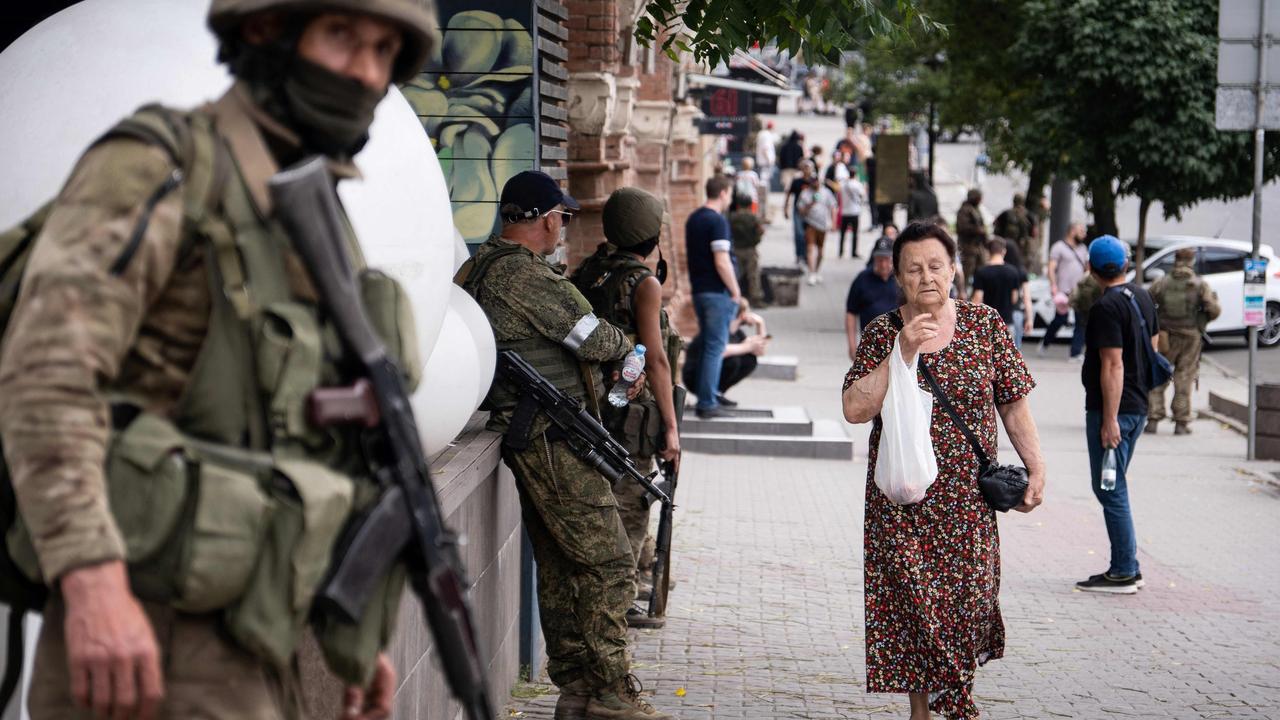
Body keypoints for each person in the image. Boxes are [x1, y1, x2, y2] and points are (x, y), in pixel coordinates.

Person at [0, 3, 440, 719]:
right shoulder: (161, 166)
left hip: (262, 635)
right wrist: (92, 583)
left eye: (384, 49)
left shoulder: (310, 209)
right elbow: (47, 376)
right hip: (149, 636)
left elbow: (304, 440)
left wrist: (350, 637)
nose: (364, 70)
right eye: (341, 37)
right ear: (267, 30)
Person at [460, 172, 675, 719]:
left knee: (562, 565)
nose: (563, 226)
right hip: (552, 437)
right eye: (562, 217)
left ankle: (578, 687)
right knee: (609, 563)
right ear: (547, 218)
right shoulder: (519, 275)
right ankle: (610, 688)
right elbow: (592, 335)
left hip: (542, 433)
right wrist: (623, 345)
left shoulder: (481, 266)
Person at [842, 222, 1045, 720]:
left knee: (968, 608)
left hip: (970, 507)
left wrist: (1036, 467)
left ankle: (938, 708)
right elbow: (854, 408)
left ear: (954, 269)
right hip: (903, 507)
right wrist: (902, 352)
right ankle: (943, 710)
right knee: (919, 615)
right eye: (913, 268)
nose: (926, 276)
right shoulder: (882, 334)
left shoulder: (985, 325)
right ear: (899, 278)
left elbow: (1013, 405)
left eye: (936, 265)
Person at [570, 188, 683, 629]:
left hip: (597, 404)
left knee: (611, 494)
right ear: (651, 234)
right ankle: (622, 598)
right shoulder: (644, 284)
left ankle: (638, 572)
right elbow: (655, 359)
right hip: (633, 411)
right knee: (632, 499)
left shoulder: (592, 269)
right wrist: (671, 428)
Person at [1077, 235, 1158, 595]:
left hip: (1115, 410)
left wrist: (1109, 420)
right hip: (1137, 406)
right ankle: (1126, 567)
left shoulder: (1106, 307)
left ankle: (1125, 570)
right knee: (1114, 485)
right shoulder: (1141, 295)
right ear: (1125, 264)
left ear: (1091, 268)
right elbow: (1153, 346)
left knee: (1110, 487)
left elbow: (1112, 365)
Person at [1146, 248, 1221, 435]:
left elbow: (1147, 302)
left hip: (1165, 336)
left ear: (1175, 260)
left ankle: (1153, 418)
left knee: (1159, 374)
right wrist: (1202, 319)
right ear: (1192, 261)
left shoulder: (1161, 282)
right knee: (1184, 377)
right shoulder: (1199, 284)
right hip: (1190, 336)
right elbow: (1214, 309)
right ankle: (1181, 422)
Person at [686, 176, 742, 419]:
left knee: (710, 344)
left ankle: (707, 394)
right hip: (716, 292)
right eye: (729, 194)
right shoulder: (717, 221)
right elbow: (721, 260)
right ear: (723, 193)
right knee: (715, 347)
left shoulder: (694, 218)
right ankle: (707, 402)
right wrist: (735, 290)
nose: (729, 198)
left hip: (699, 290)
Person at [682, 300, 768, 405]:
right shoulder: (716, 330)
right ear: (742, 315)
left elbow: (760, 351)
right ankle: (710, 396)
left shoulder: (737, 332)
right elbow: (719, 352)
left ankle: (717, 393)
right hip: (694, 378)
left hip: (706, 376)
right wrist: (747, 346)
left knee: (750, 360)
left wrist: (760, 324)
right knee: (732, 360)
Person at [972, 237, 1033, 349]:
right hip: (1007, 322)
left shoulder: (981, 272)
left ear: (989, 251)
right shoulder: (1012, 271)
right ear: (1003, 251)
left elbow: (977, 299)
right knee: (1008, 358)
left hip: (987, 322)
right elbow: (1014, 298)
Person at [844, 237, 899, 360]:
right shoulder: (862, 279)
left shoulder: (902, 281)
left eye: (887, 259)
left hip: (898, 347)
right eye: (880, 260)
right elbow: (851, 313)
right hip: (869, 346)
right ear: (874, 259)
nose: (883, 264)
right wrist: (852, 345)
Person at [1040, 222, 1090, 358]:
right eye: (1081, 231)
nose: (1084, 234)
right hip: (1063, 290)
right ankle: (1045, 343)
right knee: (1060, 319)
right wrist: (1053, 286)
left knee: (1081, 321)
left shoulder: (1083, 248)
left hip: (1079, 291)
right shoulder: (1059, 247)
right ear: (1072, 231)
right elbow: (1051, 268)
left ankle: (1075, 353)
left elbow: (1087, 268)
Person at [798, 175, 838, 285]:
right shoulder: (805, 193)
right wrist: (811, 203)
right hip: (810, 224)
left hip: (823, 225)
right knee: (810, 248)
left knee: (820, 251)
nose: (815, 184)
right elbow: (801, 211)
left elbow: (833, 207)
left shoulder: (826, 192)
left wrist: (834, 223)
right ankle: (811, 273)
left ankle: (816, 271)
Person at [728, 193, 765, 306]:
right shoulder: (753, 217)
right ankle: (756, 298)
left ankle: (734, 296)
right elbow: (761, 231)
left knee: (735, 274)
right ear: (750, 205)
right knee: (753, 275)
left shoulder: (732, 217)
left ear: (738, 205)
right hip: (750, 250)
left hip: (735, 249)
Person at [784, 160, 817, 267]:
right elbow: (789, 193)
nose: (807, 170)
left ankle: (808, 255)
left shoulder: (814, 181)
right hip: (798, 210)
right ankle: (799, 255)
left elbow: (819, 194)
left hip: (811, 211)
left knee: (809, 235)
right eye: (805, 167)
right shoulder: (797, 181)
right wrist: (785, 208)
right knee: (799, 234)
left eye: (808, 167)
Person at [993, 194, 1035, 274]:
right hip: (1022, 246)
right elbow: (1034, 233)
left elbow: (995, 225)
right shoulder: (1029, 215)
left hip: (1007, 245)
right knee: (1021, 266)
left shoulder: (1006, 213)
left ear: (1014, 201)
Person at [956, 188, 988, 290]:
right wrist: (978, 230)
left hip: (978, 246)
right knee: (967, 272)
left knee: (981, 271)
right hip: (968, 247)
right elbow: (962, 227)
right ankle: (963, 294)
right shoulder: (964, 210)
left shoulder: (976, 209)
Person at [838, 170, 866, 258]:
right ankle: (853, 252)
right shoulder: (857, 184)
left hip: (845, 212)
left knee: (842, 234)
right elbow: (862, 195)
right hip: (854, 211)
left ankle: (840, 251)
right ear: (855, 174)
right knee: (854, 233)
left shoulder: (843, 185)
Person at [754, 120, 778, 207]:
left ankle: (763, 203)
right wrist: (769, 160)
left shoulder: (763, 134)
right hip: (765, 163)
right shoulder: (766, 135)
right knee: (764, 184)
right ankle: (762, 204)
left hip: (762, 162)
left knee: (763, 184)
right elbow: (766, 149)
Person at [778, 130, 806, 199]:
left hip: (786, 169)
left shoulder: (784, 146)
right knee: (796, 187)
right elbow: (802, 159)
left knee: (787, 188)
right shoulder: (799, 147)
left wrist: (781, 167)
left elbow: (781, 157)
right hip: (796, 169)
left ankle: (787, 201)